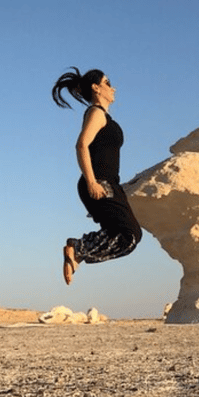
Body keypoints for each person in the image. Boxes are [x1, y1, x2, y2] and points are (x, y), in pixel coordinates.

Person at [51, 67, 143, 285]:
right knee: (128, 235)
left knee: (131, 235)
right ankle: (77, 248)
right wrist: (91, 182)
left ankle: (79, 250)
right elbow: (82, 144)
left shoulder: (104, 116)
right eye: (107, 82)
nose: (113, 88)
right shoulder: (96, 113)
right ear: (96, 87)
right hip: (99, 182)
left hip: (110, 183)